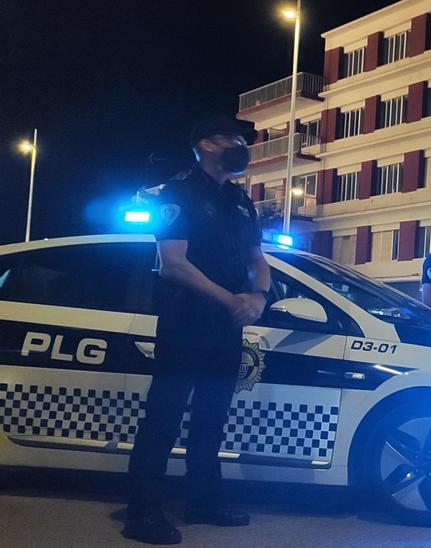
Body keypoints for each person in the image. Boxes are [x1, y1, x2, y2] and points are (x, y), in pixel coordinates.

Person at [124, 117, 268, 544]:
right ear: (205, 144)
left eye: (245, 141)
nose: (242, 146)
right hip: (186, 319)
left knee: (212, 417)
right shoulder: (179, 192)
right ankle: (142, 514)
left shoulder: (240, 200)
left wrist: (258, 296)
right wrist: (232, 300)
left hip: (227, 325)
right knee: (164, 418)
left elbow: (257, 257)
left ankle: (203, 501)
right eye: (234, 139)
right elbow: (174, 264)